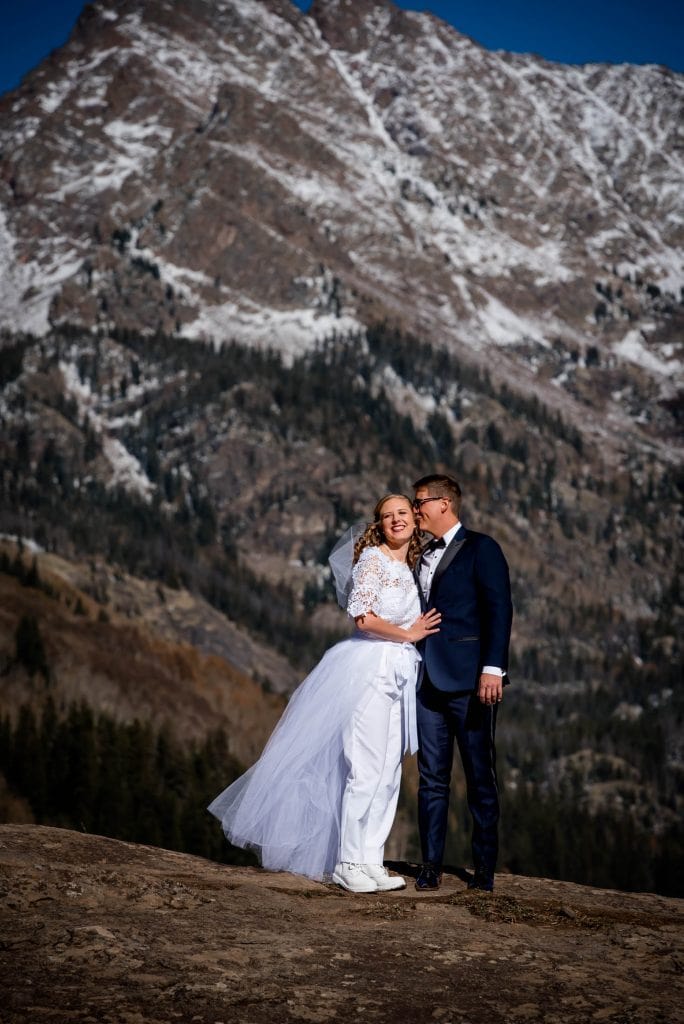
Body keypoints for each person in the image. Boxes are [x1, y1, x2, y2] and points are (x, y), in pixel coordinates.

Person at [208, 494, 441, 893]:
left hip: (400, 673)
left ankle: (370, 858)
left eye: (402, 513)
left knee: (388, 773)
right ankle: (347, 862)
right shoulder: (373, 561)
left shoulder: (412, 566)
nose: (396, 520)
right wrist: (408, 634)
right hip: (369, 669)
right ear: (379, 525)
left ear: (414, 520)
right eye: (387, 516)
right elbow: (363, 617)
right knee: (365, 769)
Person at [412, 473, 513, 893]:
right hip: (427, 682)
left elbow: (499, 608)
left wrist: (493, 668)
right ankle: (430, 867)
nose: (415, 509)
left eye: (420, 502)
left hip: (473, 683)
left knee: (479, 778)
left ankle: (484, 871)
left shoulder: (482, 548)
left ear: (444, 504)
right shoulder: (418, 553)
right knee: (431, 779)